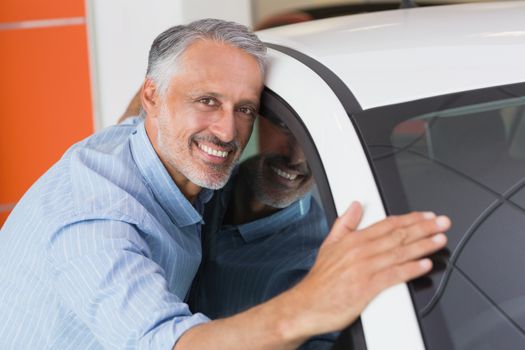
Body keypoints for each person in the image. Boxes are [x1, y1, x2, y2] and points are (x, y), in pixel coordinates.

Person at [0, 18, 450, 349]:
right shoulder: (95, 220)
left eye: (246, 109)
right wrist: (315, 302)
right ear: (154, 96)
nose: (227, 131)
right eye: (207, 100)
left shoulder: (159, 150)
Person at [189, 113, 334, 348]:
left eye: (316, 139)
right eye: (284, 125)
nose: (296, 157)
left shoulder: (317, 269)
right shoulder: (198, 182)